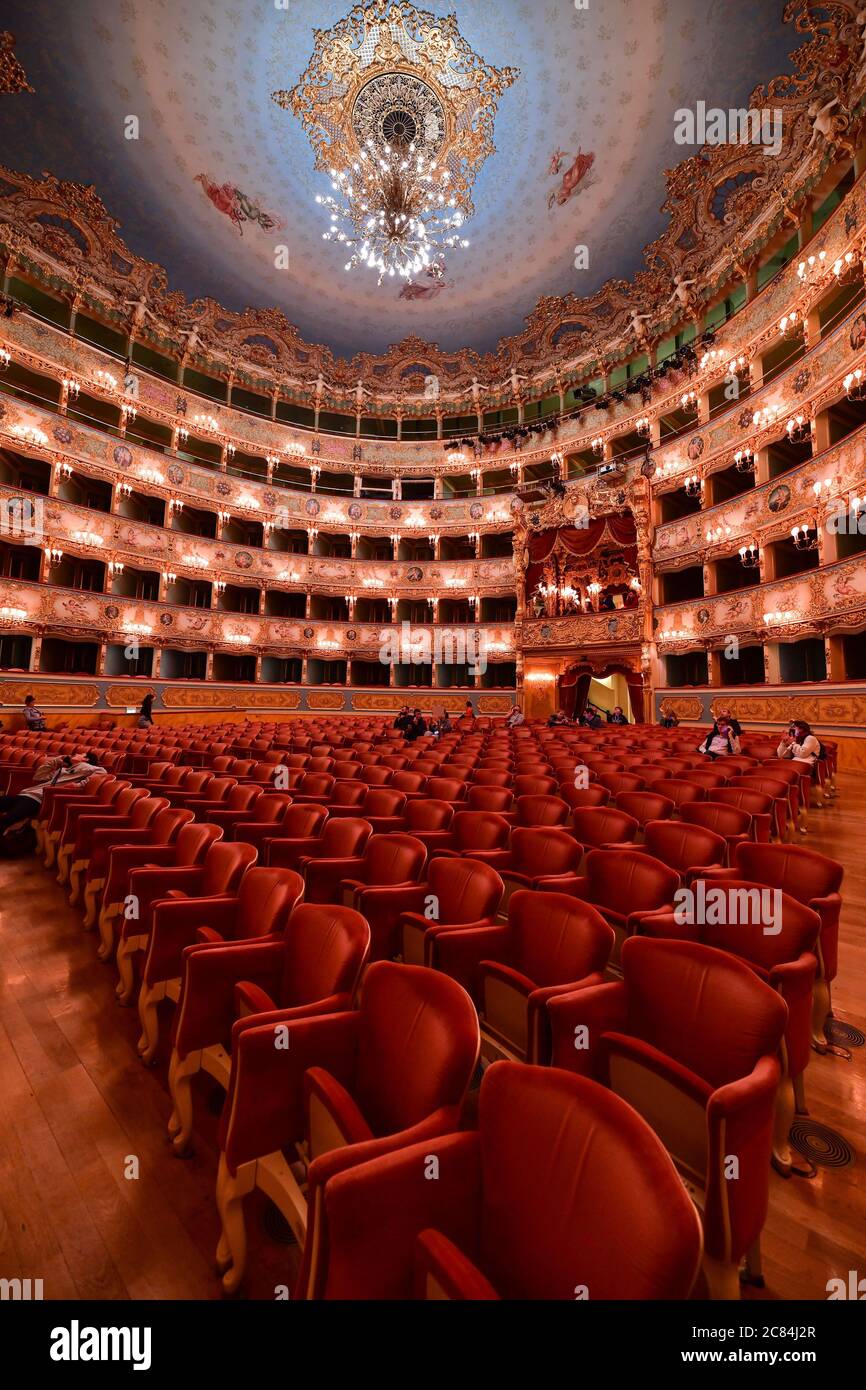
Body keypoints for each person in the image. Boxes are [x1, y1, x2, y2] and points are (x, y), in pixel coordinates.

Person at [0, 752, 103, 839]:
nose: (75, 754)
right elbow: (38, 777)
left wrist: (79, 784)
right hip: (26, 794)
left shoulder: (89, 768)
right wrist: (56, 761)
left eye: (80, 754)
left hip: (37, 799)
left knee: (8, 819)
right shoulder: (63, 770)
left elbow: (101, 772)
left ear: (86, 759)